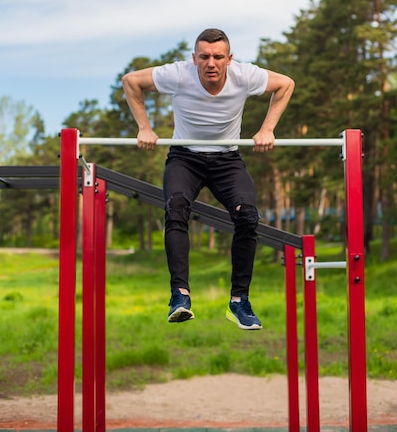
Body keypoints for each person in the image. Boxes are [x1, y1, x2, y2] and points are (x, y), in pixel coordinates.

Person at [122, 28, 295, 330]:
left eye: (217, 57)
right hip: (184, 157)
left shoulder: (245, 75)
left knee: (248, 217)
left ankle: (239, 301)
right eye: (204, 57)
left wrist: (268, 128)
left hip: (227, 159)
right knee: (176, 209)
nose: (210, 63)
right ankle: (180, 295)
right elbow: (131, 81)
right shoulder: (178, 74)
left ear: (229, 59)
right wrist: (144, 128)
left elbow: (286, 85)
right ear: (194, 59)